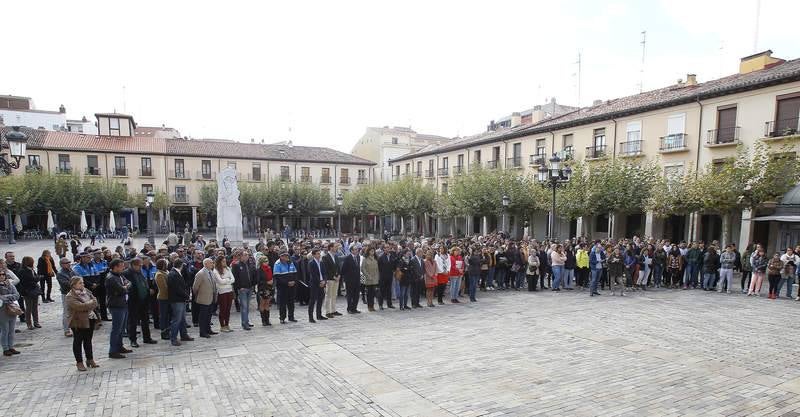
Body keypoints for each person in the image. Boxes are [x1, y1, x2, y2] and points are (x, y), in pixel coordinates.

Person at [65, 276, 99, 371]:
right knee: (78, 341)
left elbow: (95, 301)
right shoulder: (70, 296)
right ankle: (79, 362)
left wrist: (90, 303)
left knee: (88, 340)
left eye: (82, 282)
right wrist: (90, 304)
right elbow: (80, 307)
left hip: (90, 318)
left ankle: (90, 359)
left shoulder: (86, 291)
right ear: (74, 285)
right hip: (78, 321)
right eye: (80, 283)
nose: (82, 284)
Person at [124, 258, 157, 347]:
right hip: (133, 300)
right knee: (133, 321)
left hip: (144, 300)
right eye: (139, 265)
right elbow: (128, 286)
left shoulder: (140, 272)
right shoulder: (127, 273)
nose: (140, 267)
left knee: (145, 319)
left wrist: (147, 290)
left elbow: (143, 282)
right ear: (133, 265)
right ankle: (133, 340)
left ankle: (147, 337)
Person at [105, 259, 132, 358]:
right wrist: (125, 287)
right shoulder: (111, 278)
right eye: (121, 266)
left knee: (121, 328)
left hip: (123, 304)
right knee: (116, 329)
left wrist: (126, 286)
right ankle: (113, 351)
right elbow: (121, 289)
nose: (123, 268)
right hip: (116, 305)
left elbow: (129, 283)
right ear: (115, 267)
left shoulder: (120, 275)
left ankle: (120, 346)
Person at [167, 259, 194, 345]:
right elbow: (177, 288)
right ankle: (173, 338)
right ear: (181, 265)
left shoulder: (175, 273)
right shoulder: (173, 274)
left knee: (182, 319)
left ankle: (184, 335)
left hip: (180, 299)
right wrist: (187, 296)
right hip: (176, 300)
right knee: (177, 320)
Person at [192, 258, 218, 337]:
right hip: (204, 298)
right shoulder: (201, 273)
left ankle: (208, 329)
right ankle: (202, 332)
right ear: (206, 264)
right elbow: (195, 287)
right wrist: (199, 295)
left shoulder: (211, 272)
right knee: (203, 316)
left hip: (211, 297)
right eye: (211, 263)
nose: (212, 264)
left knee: (209, 315)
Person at [232, 251, 256, 331]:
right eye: (245, 255)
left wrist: (253, 284)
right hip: (242, 289)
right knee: (244, 307)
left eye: (248, 255)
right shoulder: (236, 265)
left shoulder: (250, 264)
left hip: (250, 288)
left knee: (247, 306)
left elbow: (253, 275)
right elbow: (235, 278)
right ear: (241, 256)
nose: (247, 256)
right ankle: (244, 323)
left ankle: (247, 321)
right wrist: (239, 287)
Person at [0, 269, 20, 356]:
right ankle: (5, 348)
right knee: (5, 329)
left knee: (12, 329)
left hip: (12, 308)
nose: (2, 276)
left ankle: (11, 346)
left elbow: (17, 295)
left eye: (3, 274)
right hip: (2, 310)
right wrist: (9, 297)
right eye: (0, 275)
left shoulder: (9, 284)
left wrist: (6, 297)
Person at [273, 252, 298, 323]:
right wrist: (287, 283)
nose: (286, 257)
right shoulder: (277, 264)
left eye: (287, 255)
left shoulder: (291, 263)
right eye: (284, 256)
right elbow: (277, 277)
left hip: (291, 286)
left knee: (291, 302)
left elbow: (295, 273)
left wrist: (294, 281)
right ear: (281, 257)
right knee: (282, 303)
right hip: (282, 287)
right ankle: (282, 318)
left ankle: (291, 317)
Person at [56, 258, 79, 336]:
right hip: (66, 294)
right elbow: (66, 284)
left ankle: (76, 326)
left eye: (69, 262)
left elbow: (78, 279)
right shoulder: (60, 273)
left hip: (75, 293)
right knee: (67, 312)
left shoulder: (72, 271)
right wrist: (75, 284)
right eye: (66, 263)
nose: (69, 264)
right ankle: (66, 330)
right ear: (62, 264)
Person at [18, 256, 41, 330]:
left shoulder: (32, 270)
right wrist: (37, 278)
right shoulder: (22, 271)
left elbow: (35, 278)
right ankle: (29, 323)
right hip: (27, 292)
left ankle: (36, 322)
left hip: (34, 291)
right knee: (29, 308)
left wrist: (36, 278)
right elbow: (31, 279)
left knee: (35, 307)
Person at [213, 256, 235, 332]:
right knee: (223, 309)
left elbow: (233, 279)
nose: (224, 263)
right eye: (223, 261)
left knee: (228, 309)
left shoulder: (228, 268)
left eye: (225, 261)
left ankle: (227, 324)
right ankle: (222, 326)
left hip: (229, 291)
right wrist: (227, 280)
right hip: (222, 292)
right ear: (219, 262)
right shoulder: (216, 271)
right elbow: (220, 281)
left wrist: (225, 280)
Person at [306, 249, 327, 323]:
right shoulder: (311, 263)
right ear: (314, 255)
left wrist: (324, 281)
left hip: (322, 283)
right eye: (318, 254)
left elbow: (324, 272)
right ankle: (310, 317)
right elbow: (313, 275)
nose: (319, 255)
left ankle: (319, 315)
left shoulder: (321, 262)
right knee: (312, 301)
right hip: (315, 284)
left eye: (319, 254)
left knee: (320, 300)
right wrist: (319, 282)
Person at [322, 243, 341, 318]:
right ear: (330, 248)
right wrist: (333, 277)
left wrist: (339, 275)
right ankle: (328, 312)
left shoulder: (336, 256)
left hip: (337, 279)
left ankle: (333, 310)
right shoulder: (325, 257)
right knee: (328, 295)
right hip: (330, 279)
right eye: (335, 247)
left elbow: (338, 267)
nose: (336, 248)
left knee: (334, 295)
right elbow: (326, 269)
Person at [340, 246, 361, 314]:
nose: (357, 251)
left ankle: (354, 308)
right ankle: (349, 308)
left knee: (356, 295)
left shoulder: (358, 257)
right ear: (351, 251)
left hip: (357, 279)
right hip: (349, 280)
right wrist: (346, 279)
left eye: (357, 249)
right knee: (350, 295)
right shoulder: (347, 258)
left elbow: (358, 269)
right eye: (355, 249)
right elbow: (343, 269)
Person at [360, 247, 380, 311]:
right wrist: (368, 276)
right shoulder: (365, 259)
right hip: (368, 279)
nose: (372, 252)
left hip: (375, 278)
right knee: (369, 293)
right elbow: (363, 269)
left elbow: (378, 269)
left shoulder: (376, 259)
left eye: (373, 251)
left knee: (373, 293)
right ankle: (369, 306)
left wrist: (378, 277)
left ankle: (372, 306)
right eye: (371, 251)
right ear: (368, 251)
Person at [256, 255, 274, 326]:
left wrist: (272, 282)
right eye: (265, 261)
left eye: (267, 261)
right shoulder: (259, 270)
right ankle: (263, 320)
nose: (267, 262)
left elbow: (272, 277)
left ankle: (267, 320)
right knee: (262, 303)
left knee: (267, 303)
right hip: (262, 288)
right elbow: (258, 280)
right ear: (261, 262)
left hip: (269, 288)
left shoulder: (269, 268)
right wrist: (266, 282)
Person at [377, 245, 396, 309]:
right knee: (381, 291)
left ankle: (389, 304)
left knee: (389, 291)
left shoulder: (391, 256)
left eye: (388, 248)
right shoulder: (381, 257)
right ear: (384, 249)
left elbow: (393, 265)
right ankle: (380, 305)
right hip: (383, 276)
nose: (387, 249)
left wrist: (393, 271)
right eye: (386, 248)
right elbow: (379, 267)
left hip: (390, 276)